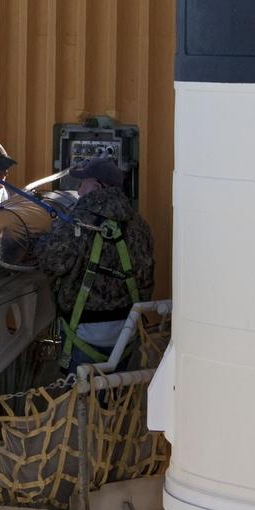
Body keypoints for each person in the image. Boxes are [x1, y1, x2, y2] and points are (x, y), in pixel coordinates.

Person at [34, 156, 154, 371]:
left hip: (83, 331)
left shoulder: (78, 222)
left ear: (97, 187)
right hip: (126, 331)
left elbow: (51, 263)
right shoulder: (140, 225)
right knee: (114, 398)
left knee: (79, 401)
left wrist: (42, 239)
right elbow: (146, 278)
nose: (78, 191)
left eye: (82, 184)